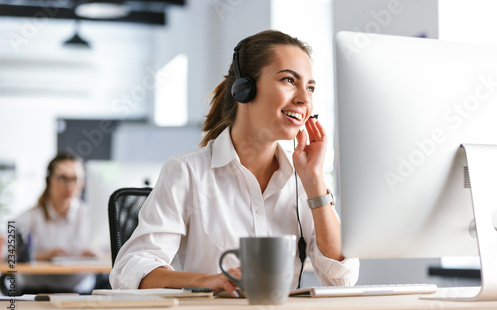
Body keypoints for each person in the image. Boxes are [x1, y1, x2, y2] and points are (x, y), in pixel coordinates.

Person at [110, 30, 359, 296]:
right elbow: (130, 270)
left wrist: (314, 181)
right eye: (289, 80)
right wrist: (208, 281)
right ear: (244, 89)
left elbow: (342, 278)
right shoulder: (187, 172)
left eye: (310, 87)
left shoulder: (303, 181)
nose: (305, 99)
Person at [15, 152, 101, 294]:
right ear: (49, 181)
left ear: (83, 182)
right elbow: (7, 254)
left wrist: (96, 256)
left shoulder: (92, 217)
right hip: (33, 292)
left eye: (75, 179)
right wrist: (42, 256)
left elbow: (115, 253)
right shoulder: (28, 217)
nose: (69, 185)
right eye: (63, 178)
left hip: (80, 293)